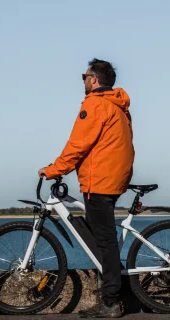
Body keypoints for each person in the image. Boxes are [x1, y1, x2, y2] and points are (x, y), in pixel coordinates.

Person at [39, 58, 135, 318]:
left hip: (100, 181)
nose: (82, 80)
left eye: (84, 76)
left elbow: (78, 145)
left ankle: (112, 302)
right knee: (101, 236)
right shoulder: (118, 105)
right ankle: (112, 287)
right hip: (112, 178)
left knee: (106, 243)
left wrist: (54, 170)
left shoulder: (95, 104)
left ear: (94, 79)